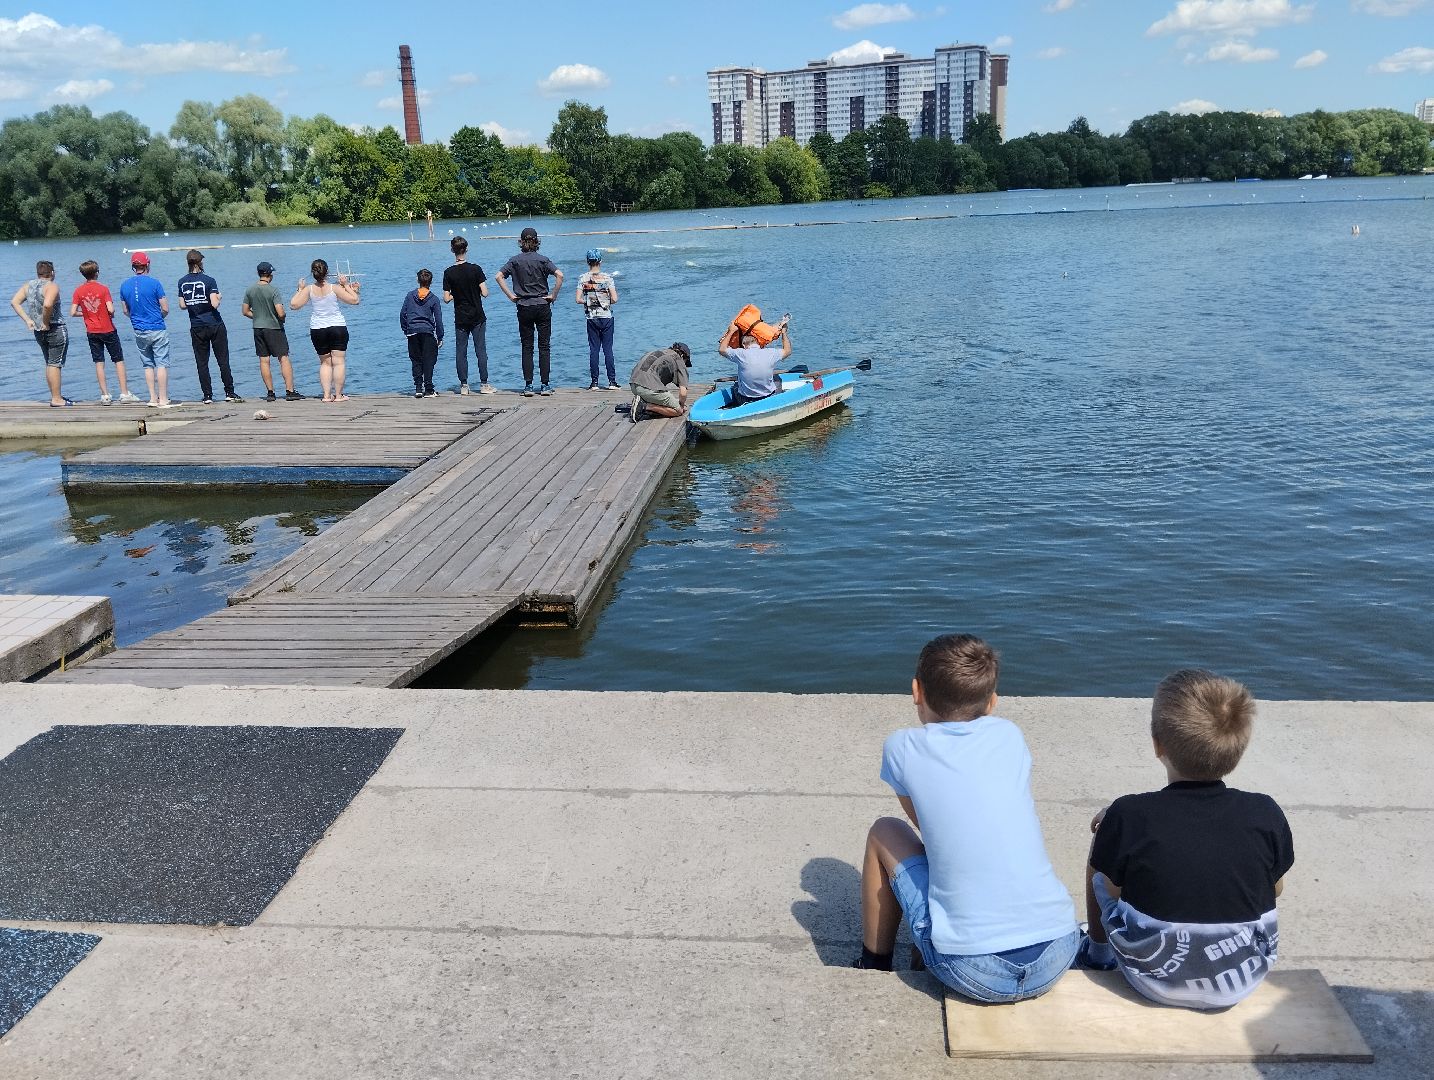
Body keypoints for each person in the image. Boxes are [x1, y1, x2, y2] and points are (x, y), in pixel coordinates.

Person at [859, 634, 1081, 1003]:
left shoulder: (901, 746)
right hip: (1057, 952)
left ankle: (873, 964)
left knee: (886, 831)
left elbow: (925, 826)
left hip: (973, 971)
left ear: (916, 691)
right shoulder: (1010, 735)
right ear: (992, 702)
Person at [1081, 670, 1294, 1010]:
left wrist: (1112, 825)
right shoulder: (1264, 812)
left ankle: (1097, 950)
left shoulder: (1130, 813)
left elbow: (1112, 886)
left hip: (1154, 979)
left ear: (1157, 744)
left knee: (1103, 848)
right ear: (1238, 750)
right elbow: (1276, 889)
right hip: (1243, 976)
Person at [496, 227, 563, 396]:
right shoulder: (542, 260)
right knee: (544, 346)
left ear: (521, 242)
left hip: (524, 306)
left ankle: (528, 385)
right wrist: (553, 295)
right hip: (542, 304)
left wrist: (511, 296)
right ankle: (545, 385)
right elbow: (560, 275)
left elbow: (498, 276)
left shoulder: (515, 261)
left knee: (527, 346)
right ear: (536, 241)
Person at [290, 258, 361, 403]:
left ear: (313, 273)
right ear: (327, 272)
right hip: (337, 327)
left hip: (318, 329)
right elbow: (355, 300)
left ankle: (327, 395)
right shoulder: (334, 288)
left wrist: (300, 289)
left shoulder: (309, 289)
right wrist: (346, 285)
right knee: (339, 362)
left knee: (325, 363)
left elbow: (293, 305)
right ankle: (339, 395)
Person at [70, 260, 139, 405]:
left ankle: (105, 395)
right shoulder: (103, 289)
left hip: (92, 331)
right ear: (97, 273)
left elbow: (72, 312)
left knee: (99, 362)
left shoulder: (78, 291)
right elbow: (111, 309)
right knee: (118, 360)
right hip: (107, 329)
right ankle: (124, 393)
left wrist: (86, 314)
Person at [177, 249, 242, 404]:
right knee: (223, 360)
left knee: (202, 362)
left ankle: (207, 395)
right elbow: (214, 304)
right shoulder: (209, 280)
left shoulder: (182, 281)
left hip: (196, 326)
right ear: (200, 263)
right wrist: (219, 297)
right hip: (214, 324)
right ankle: (229, 392)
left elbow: (182, 305)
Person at [10, 260, 71, 406]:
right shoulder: (52, 286)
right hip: (55, 328)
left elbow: (14, 302)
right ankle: (57, 399)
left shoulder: (28, 286)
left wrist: (28, 320)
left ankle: (55, 396)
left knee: (49, 363)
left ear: (38, 273)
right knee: (55, 364)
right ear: (53, 273)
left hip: (38, 331)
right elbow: (48, 304)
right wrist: (45, 321)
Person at [118, 251, 175, 408]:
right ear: (147, 265)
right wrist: (158, 317)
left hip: (139, 329)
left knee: (147, 364)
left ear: (133, 267)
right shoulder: (155, 283)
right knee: (162, 363)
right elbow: (165, 308)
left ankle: (152, 398)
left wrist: (136, 318)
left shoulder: (124, 285)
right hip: (157, 327)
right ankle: (163, 399)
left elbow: (125, 311)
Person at [242, 262, 303, 403]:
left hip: (258, 328)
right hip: (274, 328)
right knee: (283, 358)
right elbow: (280, 312)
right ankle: (290, 391)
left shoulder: (250, 289)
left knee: (264, 360)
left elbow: (245, 311)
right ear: (269, 274)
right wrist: (282, 317)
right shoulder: (273, 290)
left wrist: (257, 316)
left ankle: (270, 393)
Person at [441, 236, 492, 395]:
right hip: (477, 316)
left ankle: (464, 385)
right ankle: (484, 385)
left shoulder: (448, 272)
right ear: (467, 249)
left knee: (461, 351)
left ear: (452, 250)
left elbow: (446, 299)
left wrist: (457, 294)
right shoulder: (476, 269)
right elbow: (485, 293)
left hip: (461, 317)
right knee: (480, 350)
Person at [718, 314, 791, 405]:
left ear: (744, 345)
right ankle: (776, 402)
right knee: (777, 379)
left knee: (736, 385)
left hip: (745, 400)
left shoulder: (741, 353)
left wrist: (731, 331)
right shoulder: (771, 353)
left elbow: (722, 349)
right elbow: (787, 351)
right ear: (758, 343)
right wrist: (784, 333)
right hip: (768, 397)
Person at [575, 248, 619, 390]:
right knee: (608, 350)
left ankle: (594, 383)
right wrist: (604, 301)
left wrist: (590, 302)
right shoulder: (607, 278)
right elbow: (615, 299)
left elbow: (578, 299)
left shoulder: (583, 278)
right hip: (606, 317)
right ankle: (612, 382)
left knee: (594, 350)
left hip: (591, 318)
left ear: (588, 261)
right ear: (600, 261)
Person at [400, 268, 444, 398]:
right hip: (427, 332)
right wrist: (440, 336)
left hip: (412, 332)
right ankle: (429, 388)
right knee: (429, 360)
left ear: (417, 280)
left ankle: (418, 388)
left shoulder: (409, 296)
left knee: (416, 360)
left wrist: (406, 329)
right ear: (431, 282)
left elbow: (403, 314)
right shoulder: (434, 299)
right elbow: (438, 319)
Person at [627, 343, 690, 422]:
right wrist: (681, 405)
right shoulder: (679, 359)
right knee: (678, 411)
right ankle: (645, 406)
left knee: (664, 400)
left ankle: (642, 402)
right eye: (686, 362)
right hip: (647, 388)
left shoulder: (660, 352)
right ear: (683, 356)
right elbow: (683, 393)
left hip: (633, 385)